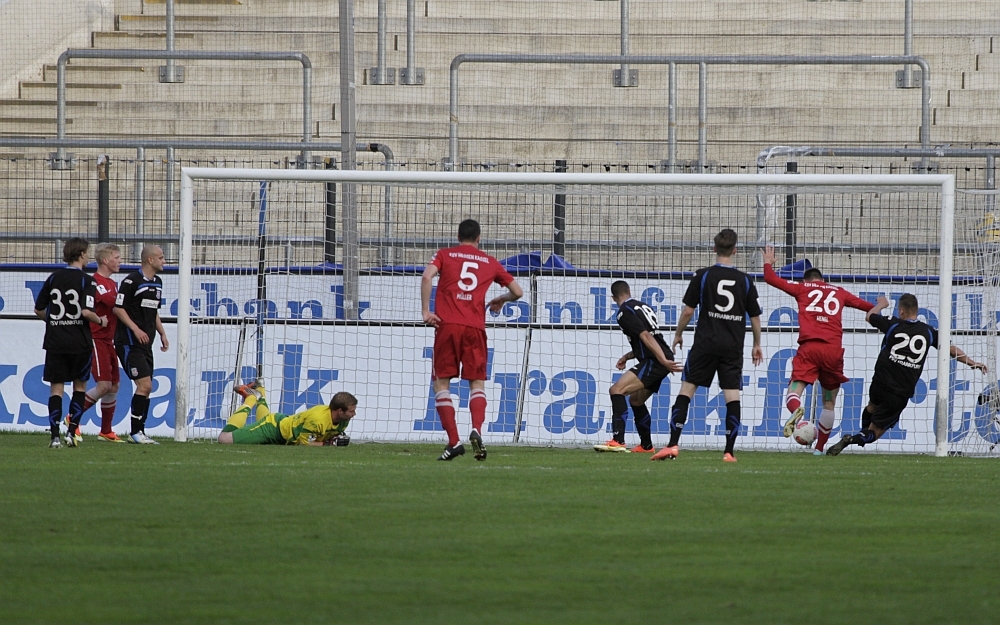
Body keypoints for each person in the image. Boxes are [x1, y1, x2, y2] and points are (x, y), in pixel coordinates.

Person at [652, 229, 763, 463]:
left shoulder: (703, 276)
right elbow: (754, 317)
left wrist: (678, 334)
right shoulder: (745, 280)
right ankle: (729, 452)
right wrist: (757, 344)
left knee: (686, 391)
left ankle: (672, 444)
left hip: (705, 344)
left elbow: (688, 311)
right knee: (732, 396)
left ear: (714, 248)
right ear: (735, 250)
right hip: (732, 347)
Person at [826, 294, 986, 456]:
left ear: (901, 311)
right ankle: (855, 438)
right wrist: (971, 362)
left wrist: (881, 304)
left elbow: (869, 316)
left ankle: (862, 433)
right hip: (900, 391)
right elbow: (950, 349)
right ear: (916, 310)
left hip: (879, 382)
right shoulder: (928, 332)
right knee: (875, 432)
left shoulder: (893, 324)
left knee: (871, 406)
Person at [421, 218, 523, 461]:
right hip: (475, 328)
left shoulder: (445, 254)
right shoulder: (490, 262)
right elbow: (518, 291)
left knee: (441, 384)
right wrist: (502, 299)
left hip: (447, 326)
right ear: (479, 238)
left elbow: (426, 277)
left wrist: (425, 311)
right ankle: (476, 429)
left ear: (458, 237)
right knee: (477, 383)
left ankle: (454, 442)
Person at [762, 246, 874, 453]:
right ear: (823, 280)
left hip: (810, 348)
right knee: (829, 403)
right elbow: (866, 306)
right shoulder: (839, 292)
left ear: (806, 280)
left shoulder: (802, 288)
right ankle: (820, 449)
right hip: (832, 351)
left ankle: (797, 412)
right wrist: (880, 305)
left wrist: (768, 262)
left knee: (794, 389)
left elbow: (770, 278)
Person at [33, 238, 107, 448]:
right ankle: (71, 432)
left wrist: (55, 322)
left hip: (55, 341)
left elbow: (38, 309)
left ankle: (54, 436)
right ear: (82, 254)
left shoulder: (54, 278)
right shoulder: (87, 281)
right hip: (79, 342)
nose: (89, 256)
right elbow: (87, 312)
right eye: (88, 253)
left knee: (56, 389)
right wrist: (101, 321)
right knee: (79, 387)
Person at [595, 280, 682, 453]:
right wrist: (627, 356)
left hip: (655, 360)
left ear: (613, 298)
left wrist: (662, 360)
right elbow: (648, 339)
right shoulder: (642, 306)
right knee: (636, 400)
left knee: (616, 390)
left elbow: (645, 336)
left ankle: (618, 440)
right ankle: (646, 446)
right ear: (629, 291)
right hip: (659, 358)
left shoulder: (624, 312)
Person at [114, 245, 169, 444]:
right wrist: (136, 329)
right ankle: (135, 432)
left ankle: (140, 432)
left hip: (147, 344)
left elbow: (153, 311)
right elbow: (118, 309)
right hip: (129, 342)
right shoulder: (131, 281)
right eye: (161, 258)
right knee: (145, 385)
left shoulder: (158, 282)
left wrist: (162, 333)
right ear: (150, 260)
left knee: (146, 388)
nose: (164, 261)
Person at [71, 243, 125, 443]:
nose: (120, 261)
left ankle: (106, 431)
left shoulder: (112, 284)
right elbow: (105, 305)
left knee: (114, 386)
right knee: (103, 386)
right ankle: (72, 417)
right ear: (105, 260)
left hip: (108, 340)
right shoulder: (94, 282)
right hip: (96, 339)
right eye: (116, 258)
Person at [217, 383, 357, 446]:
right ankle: (251, 399)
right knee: (224, 439)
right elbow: (304, 444)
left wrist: (335, 439)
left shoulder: (344, 420)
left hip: (285, 429)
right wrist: (328, 444)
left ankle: (261, 393)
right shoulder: (317, 419)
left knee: (263, 419)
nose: (354, 414)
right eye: (351, 411)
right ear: (340, 411)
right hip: (273, 429)